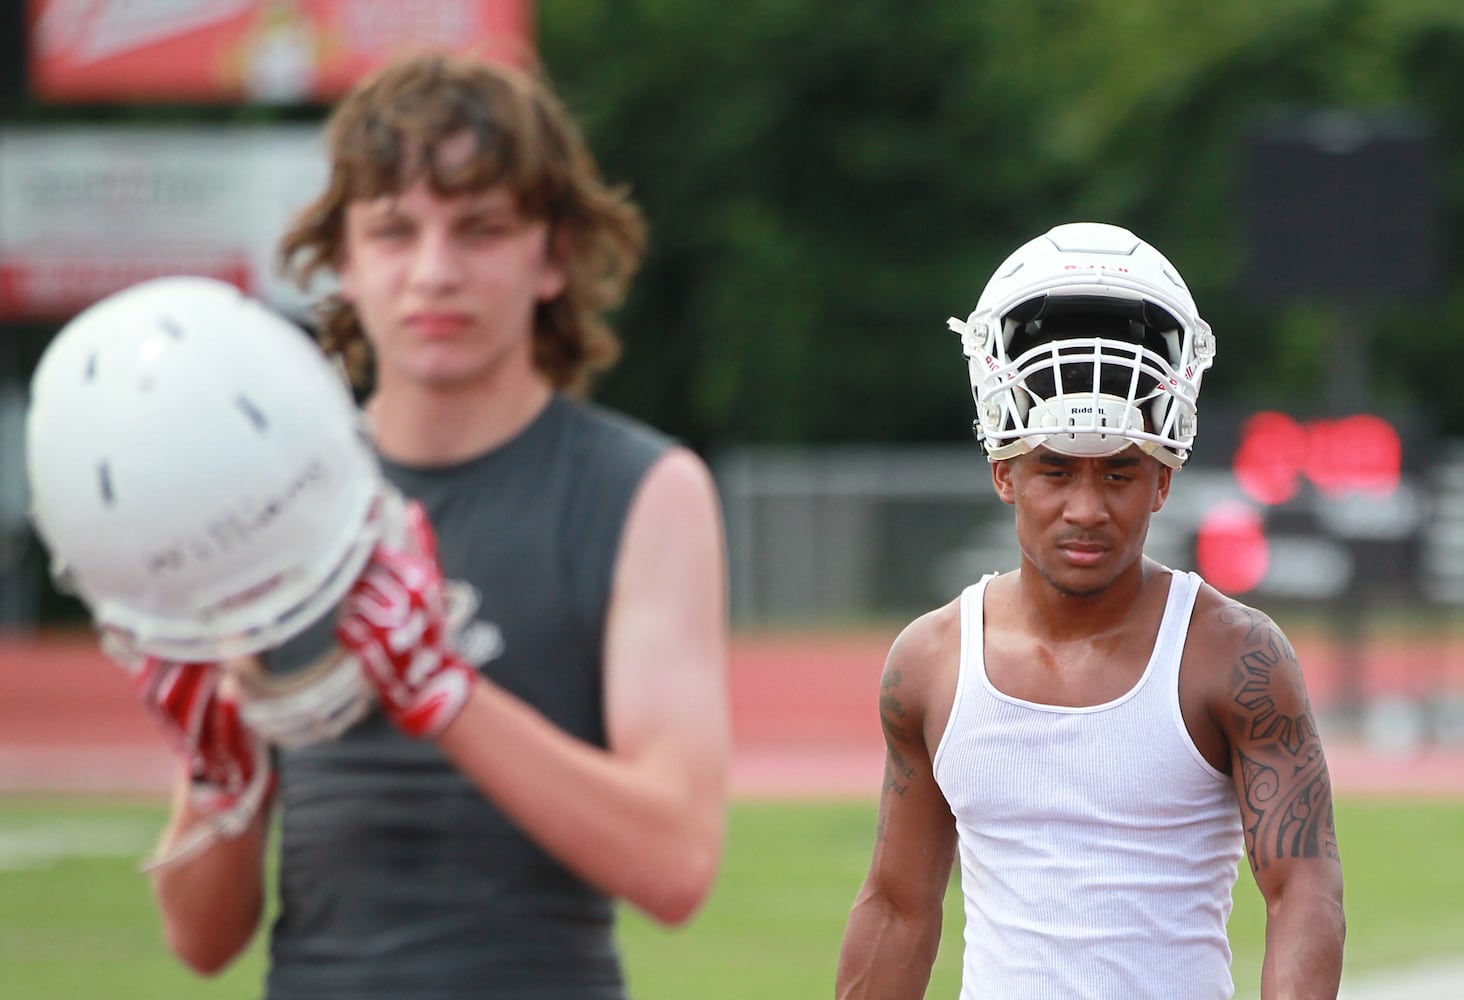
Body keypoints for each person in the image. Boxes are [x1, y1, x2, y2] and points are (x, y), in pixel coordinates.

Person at [138, 51, 731, 998]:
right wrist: (218, 771)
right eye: (394, 231)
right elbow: (201, 941)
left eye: (481, 229)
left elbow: (676, 863)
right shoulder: (270, 496)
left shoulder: (642, 486)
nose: (435, 271)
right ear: (341, 260)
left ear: (554, 256)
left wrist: (443, 694)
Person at [835, 222, 1345, 999]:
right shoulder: (931, 661)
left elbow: (1303, 890)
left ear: (1163, 480)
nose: (1086, 508)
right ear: (1004, 472)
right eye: (1054, 469)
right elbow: (899, 909)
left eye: (1119, 474)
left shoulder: (1233, 654)